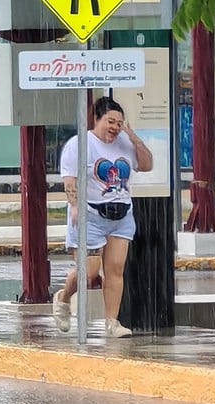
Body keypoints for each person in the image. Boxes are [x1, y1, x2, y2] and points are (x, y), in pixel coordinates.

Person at [53, 96, 153, 338]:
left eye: (119, 123)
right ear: (96, 119)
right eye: (110, 121)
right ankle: (63, 298)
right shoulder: (79, 144)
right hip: (90, 214)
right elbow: (69, 180)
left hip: (121, 213)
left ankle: (112, 322)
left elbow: (147, 165)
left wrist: (135, 139)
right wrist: (74, 206)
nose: (115, 127)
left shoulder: (125, 144)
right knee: (88, 272)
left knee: (116, 268)